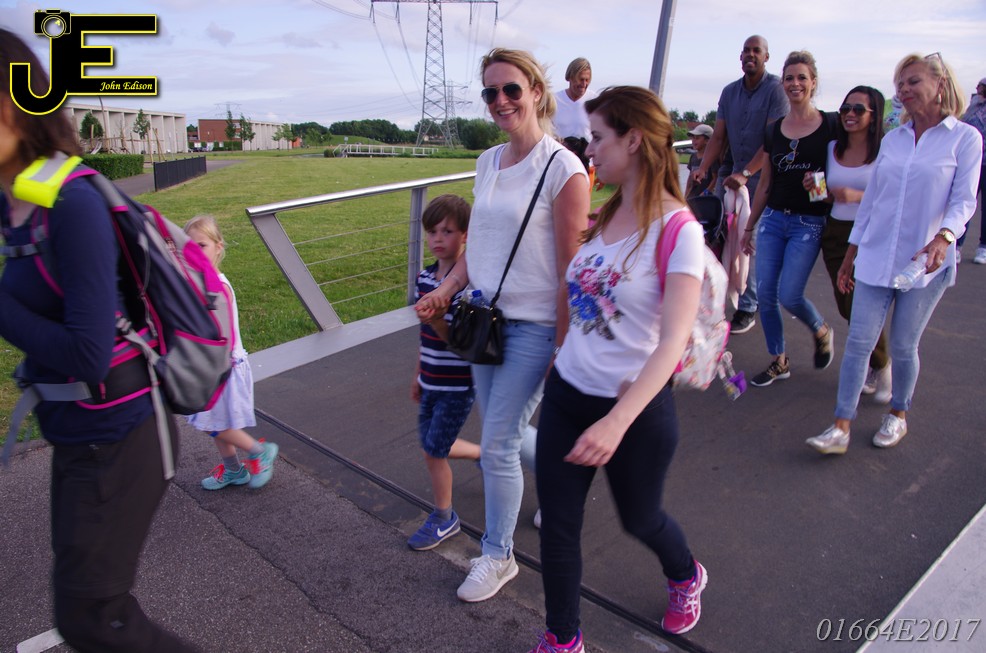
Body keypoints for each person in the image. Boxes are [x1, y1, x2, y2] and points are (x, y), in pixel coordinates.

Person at [0, 29, 200, 652]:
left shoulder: (72, 202)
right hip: (77, 432)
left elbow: (88, 354)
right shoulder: (22, 196)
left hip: (119, 434)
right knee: (86, 609)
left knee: (94, 616)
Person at [530, 86, 707, 653]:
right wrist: (560, 355)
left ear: (634, 140)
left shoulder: (679, 230)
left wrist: (616, 421)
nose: (589, 149)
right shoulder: (607, 211)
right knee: (558, 527)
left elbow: (672, 342)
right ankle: (563, 640)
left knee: (641, 519)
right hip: (567, 394)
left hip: (632, 410)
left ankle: (686, 574)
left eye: (598, 137)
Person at [416, 47, 590, 603]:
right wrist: (446, 289)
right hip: (485, 322)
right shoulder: (488, 160)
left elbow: (571, 269)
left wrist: (565, 346)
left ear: (537, 92)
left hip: (534, 328)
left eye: (511, 89)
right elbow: (483, 248)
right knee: (504, 433)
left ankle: (498, 555)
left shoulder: (563, 169)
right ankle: (565, 483)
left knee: (496, 444)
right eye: (490, 92)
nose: (500, 101)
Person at [807, 52, 981, 454]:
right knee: (859, 342)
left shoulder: (964, 138)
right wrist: (851, 252)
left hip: (924, 263)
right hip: (874, 254)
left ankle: (898, 413)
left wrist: (944, 238)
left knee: (903, 346)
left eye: (913, 81)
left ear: (940, 84)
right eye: (899, 83)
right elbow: (873, 201)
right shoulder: (894, 140)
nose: (903, 90)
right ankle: (840, 426)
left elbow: (964, 201)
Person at [740, 50, 836, 388]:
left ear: (813, 83)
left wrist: (819, 186)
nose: (795, 83)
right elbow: (765, 183)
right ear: (782, 83)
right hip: (774, 219)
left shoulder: (831, 125)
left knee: (790, 295)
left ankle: (821, 330)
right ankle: (779, 360)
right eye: (789, 78)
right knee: (766, 294)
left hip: (808, 222)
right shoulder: (774, 131)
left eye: (802, 78)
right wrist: (750, 225)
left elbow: (840, 174)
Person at [693, 35, 790, 335]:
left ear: (766, 57)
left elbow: (773, 141)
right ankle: (714, 299)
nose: (750, 55)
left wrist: (747, 173)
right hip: (731, 172)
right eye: (746, 51)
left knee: (750, 241)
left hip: (762, 177)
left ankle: (748, 306)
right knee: (717, 235)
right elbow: (718, 136)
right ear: (740, 57)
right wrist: (704, 167)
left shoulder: (776, 90)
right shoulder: (729, 92)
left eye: (756, 51)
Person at [807, 86, 892, 402]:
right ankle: (877, 361)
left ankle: (882, 366)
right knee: (846, 306)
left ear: (874, 115)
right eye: (845, 109)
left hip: (871, 235)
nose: (849, 115)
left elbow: (896, 198)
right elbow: (824, 197)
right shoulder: (832, 148)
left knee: (862, 307)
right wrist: (816, 188)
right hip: (836, 234)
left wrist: (858, 196)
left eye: (858, 109)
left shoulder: (886, 151)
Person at [183, 215, 279, 490]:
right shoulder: (201, 282)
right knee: (215, 421)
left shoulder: (216, 287)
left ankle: (259, 451)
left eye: (201, 245)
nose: (194, 252)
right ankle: (234, 470)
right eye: (188, 246)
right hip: (210, 366)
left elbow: (220, 334)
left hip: (221, 367)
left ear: (218, 247)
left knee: (212, 423)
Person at [407, 194, 481, 551]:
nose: (438, 238)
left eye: (448, 231)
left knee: (433, 451)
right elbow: (425, 337)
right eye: (432, 231)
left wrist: (438, 320)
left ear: (465, 235)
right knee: (431, 445)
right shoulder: (424, 279)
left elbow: (461, 344)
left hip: (457, 384)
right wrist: (419, 373)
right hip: (431, 379)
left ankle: (444, 517)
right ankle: (482, 455)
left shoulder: (468, 287)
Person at [553, 57, 598, 189]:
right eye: (580, 79)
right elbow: (544, 131)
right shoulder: (554, 100)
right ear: (570, 77)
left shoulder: (594, 101)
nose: (584, 84)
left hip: (585, 165)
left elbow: (602, 133)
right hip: (558, 165)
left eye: (587, 80)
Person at [958, 77, 986, 264]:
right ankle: (956, 244)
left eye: (981, 86)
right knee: (963, 203)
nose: (977, 88)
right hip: (971, 161)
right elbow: (964, 125)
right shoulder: (973, 105)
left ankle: (983, 247)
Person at [684, 123, 716, 199]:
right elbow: (690, 178)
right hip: (693, 196)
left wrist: (706, 192)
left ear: (707, 141)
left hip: (706, 197)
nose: (694, 141)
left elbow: (715, 179)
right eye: (693, 138)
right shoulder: (693, 157)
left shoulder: (711, 158)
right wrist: (686, 195)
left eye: (697, 138)